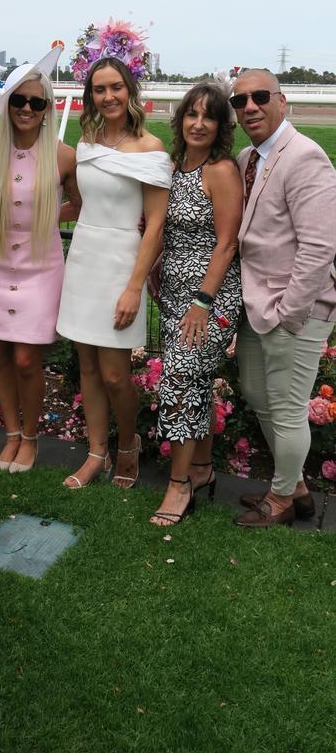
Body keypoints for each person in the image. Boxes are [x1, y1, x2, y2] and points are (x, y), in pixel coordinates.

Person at [56, 55, 171, 489]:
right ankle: (96, 453)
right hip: (84, 256)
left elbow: (156, 224)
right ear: (90, 96)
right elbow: (82, 204)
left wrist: (134, 287)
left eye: (116, 87)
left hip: (124, 264)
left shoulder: (151, 149)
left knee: (115, 375)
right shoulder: (86, 142)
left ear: (131, 91)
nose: (108, 96)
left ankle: (128, 444)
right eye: (99, 89)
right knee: (87, 367)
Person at [229, 69, 336, 527]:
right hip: (258, 305)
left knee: (288, 407)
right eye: (239, 101)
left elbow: (318, 247)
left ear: (281, 100)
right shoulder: (244, 159)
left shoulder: (305, 157)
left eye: (259, 96)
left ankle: (282, 499)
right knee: (257, 393)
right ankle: (295, 488)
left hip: (295, 310)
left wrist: (290, 314)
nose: (249, 106)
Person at [0, 46, 81, 473]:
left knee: (25, 360)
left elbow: (79, 204)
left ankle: (31, 438)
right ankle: (11, 436)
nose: (27, 108)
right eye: (19, 99)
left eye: (37, 102)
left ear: (47, 107)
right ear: (8, 102)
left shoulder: (63, 155)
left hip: (41, 268)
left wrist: (47, 215)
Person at [149, 81, 242, 525]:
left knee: (180, 378)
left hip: (210, 297)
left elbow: (227, 244)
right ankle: (202, 470)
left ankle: (178, 484)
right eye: (192, 114)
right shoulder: (173, 166)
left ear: (221, 126)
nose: (198, 123)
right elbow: (162, 227)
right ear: (180, 119)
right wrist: (154, 270)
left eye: (209, 116)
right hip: (172, 295)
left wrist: (202, 301)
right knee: (196, 380)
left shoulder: (220, 171)